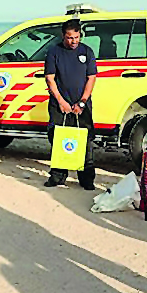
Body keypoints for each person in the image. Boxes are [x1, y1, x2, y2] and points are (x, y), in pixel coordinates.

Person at [43, 19, 97, 190]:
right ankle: (58, 176)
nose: (73, 41)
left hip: (82, 105)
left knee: (85, 141)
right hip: (59, 104)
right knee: (58, 140)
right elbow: (50, 79)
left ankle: (86, 179)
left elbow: (91, 78)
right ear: (63, 36)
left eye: (76, 37)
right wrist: (61, 102)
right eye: (69, 38)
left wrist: (82, 102)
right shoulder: (54, 52)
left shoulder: (87, 51)